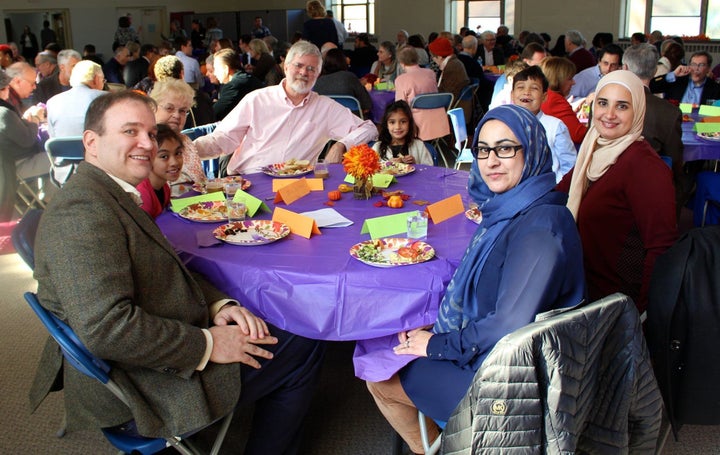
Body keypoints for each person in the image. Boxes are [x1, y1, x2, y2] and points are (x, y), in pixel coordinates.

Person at [29, 91, 325, 452]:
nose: (147, 144)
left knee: (268, 321)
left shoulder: (110, 192)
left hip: (155, 346)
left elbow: (164, 269)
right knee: (305, 340)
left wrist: (221, 306)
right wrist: (208, 344)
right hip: (138, 387)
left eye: (151, 134)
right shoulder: (82, 213)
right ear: (92, 142)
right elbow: (107, 329)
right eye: (130, 132)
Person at [366, 104, 586, 454]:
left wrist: (437, 345)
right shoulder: (511, 209)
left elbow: (508, 326)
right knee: (382, 347)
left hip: (512, 385)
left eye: (505, 148)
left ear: (532, 149)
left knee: (380, 376)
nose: (491, 161)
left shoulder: (541, 229)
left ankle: (445, 446)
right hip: (505, 358)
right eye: (483, 150)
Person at [556, 70, 678, 313]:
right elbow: (559, 194)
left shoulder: (644, 167)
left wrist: (641, 317)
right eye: (603, 103)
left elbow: (661, 248)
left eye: (622, 106)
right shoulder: (594, 147)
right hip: (585, 288)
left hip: (616, 303)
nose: (609, 114)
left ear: (638, 112)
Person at [194, 40, 377, 174]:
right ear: (286, 67)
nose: (304, 73)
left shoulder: (324, 108)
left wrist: (341, 145)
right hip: (249, 181)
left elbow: (369, 128)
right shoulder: (257, 99)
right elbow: (224, 139)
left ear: (318, 75)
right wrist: (189, 149)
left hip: (297, 187)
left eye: (312, 69)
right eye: (298, 65)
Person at [623, 43, 690, 218]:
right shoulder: (668, 112)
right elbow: (675, 159)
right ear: (654, 71)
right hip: (650, 191)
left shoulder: (600, 105)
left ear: (624, 68)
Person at [512, 66, 576, 182]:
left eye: (534, 88)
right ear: (512, 95)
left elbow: (569, 166)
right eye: (520, 87)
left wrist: (556, 189)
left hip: (547, 191)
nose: (527, 92)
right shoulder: (504, 125)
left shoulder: (555, 126)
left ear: (544, 97)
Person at [0, 70, 44, 221]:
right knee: (60, 159)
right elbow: (28, 140)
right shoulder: (3, 113)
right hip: (13, 166)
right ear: (3, 89)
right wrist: (35, 120)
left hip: (10, 165)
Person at [150, 78, 208, 185]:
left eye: (182, 111)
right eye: (169, 108)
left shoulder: (186, 141)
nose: (176, 115)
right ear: (153, 108)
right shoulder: (148, 143)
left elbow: (202, 183)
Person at [394, 46, 450, 142]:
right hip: (439, 120)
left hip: (418, 125)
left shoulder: (401, 79)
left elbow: (400, 104)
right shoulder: (430, 73)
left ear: (401, 64)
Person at [46, 60, 106, 138]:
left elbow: (52, 136)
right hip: (94, 148)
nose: (103, 84)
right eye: (103, 80)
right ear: (96, 79)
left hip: (63, 149)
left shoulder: (52, 102)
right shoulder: (105, 98)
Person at [136, 124, 183, 218]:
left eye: (178, 153)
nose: (174, 162)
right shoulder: (142, 196)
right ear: (147, 157)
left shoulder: (165, 188)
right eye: (164, 156)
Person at [540, 56, 588, 146]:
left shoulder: (547, 95)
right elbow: (579, 135)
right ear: (558, 80)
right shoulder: (554, 99)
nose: (574, 82)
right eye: (570, 78)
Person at [312, 47, 372, 116]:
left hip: (327, 120)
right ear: (343, 61)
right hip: (351, 119)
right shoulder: (349, 77)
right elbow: (367, 104)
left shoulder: (318, 81)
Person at [371, 100, 433, 165]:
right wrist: (387, 165)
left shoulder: (419, 145)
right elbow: (371, 172)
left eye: (403, 122)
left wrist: (415, 164)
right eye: (392, 122)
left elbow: (430, 170)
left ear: (410, 123)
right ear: (386, 125)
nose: (397, 127)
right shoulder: (377, 147)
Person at [650, 51, 720, 106]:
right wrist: (674, 74)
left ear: (708, 68)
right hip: (674, 121)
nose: (696, 68)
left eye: (701, 65)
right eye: (693, 64)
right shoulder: (677, 81)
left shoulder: (715, 88)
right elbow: (651, 87)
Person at [211, 48, 264, 121]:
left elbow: (214, 113)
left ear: (226, 69)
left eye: (216, 68)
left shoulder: (233, 86)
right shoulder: (250, 78)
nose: (215, 73)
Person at [428, 37, 469, 104]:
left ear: (439, 57)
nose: (432, 59)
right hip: (457, 102)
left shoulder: (451, 68)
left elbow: (447, 95)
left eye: (433, 57)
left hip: (451, 105)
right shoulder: (454, 62)